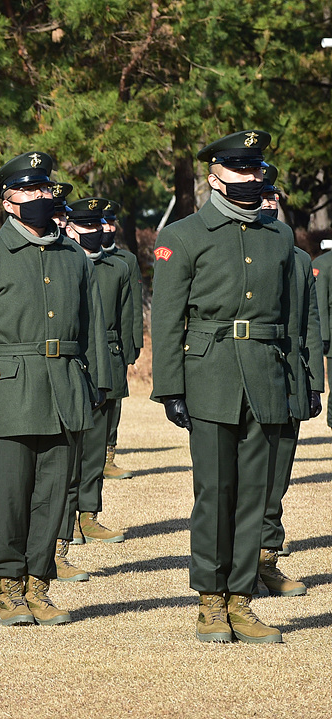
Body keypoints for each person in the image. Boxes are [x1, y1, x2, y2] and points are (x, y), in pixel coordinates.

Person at [151, 130, 290, 644]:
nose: (251, 178)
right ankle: (210, 601)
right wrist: (170, 386)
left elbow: (291, 317)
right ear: (214, 176)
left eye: (257, 169)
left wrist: (296, 380)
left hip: (266, 375)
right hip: (209, 375)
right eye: (239, 170)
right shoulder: (184, 235)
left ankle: (242, 599)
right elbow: (166, 320)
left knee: (255, 494)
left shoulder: (278, 235)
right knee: (215, 491)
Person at [0, 152, 109, 627]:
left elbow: (90, 329)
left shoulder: (74, 257)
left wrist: (95, 384)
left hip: (65, 389)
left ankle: (39, 585)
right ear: (7, 202)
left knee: (53, 495)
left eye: (45, 189)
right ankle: (9, 589)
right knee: (11, 495)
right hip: (9, 393)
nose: (42, 197)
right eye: (29, 191)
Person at [57, 198, 130, 583]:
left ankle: (90, 515)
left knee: (96, 448)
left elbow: (124, 318)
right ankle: (63, 528)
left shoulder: (117, 266)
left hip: (106, 363)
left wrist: (122, 359)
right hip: (69, 365)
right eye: (87, 224)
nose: (97, 230)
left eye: (100, 224)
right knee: (66, 456)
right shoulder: (63, 262)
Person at [257, 165, 319, 597]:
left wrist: (313, 379)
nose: (267, 202)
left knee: (277, 475)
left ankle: (266, 560)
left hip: (290, 376)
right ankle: (235, 565)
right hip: (248, 371)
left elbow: (310, 323)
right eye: (261, 196)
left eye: (272, 197)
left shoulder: (299, 257)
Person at [101, 200, 142, 479]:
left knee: (113, 402)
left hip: (114, 342)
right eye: (101, 222)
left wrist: (133, 346)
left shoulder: (126, 261)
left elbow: (133, 309)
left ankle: (108, 456)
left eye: (110, 222)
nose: (107, 228)